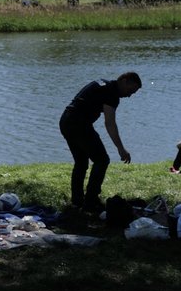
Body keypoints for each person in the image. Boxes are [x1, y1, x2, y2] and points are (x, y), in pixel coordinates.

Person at [59, 72, 142, 214]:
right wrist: (120, 148)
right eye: (130, 91)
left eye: (132, 93)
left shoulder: (104, 84)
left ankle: (77, 201)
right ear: (124, 80)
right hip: (78, 124)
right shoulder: (111, 93)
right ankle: (91, 201)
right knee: (102, 160)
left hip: (66, 121)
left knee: (81, 163)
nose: (129, 95)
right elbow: (110, 123)